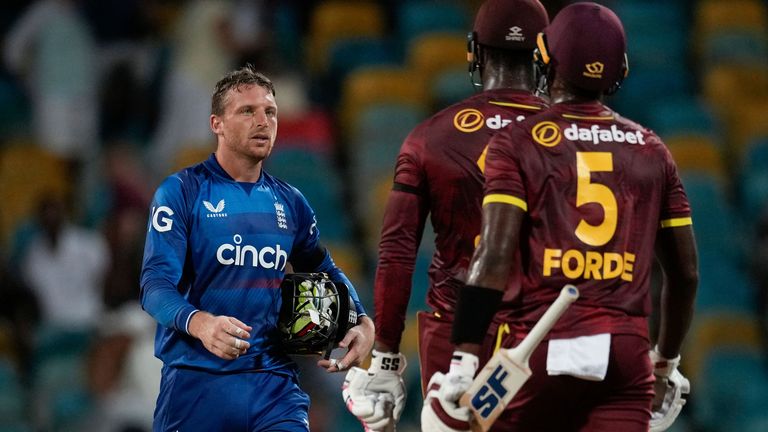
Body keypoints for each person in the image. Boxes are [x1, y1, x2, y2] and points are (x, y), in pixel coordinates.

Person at [421, 3, 698, 432]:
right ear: (619, 68)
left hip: (540, 344)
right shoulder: (652, 149)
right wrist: (665, 361)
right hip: (623, 357)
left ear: (544, 59)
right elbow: (685, 275)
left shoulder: (518, 142)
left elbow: (493, 258)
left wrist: (464, 359)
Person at [340, 0, 549, 430]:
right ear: (544, 55)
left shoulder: (431, 136)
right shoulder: (572, 138)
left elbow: (397, 252)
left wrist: (387, 357)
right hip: (544, 337)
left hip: (456, 342)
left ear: (475, 52)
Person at [139, 65, 374, 432]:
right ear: (216, 123)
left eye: (270, 112)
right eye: (247, 111)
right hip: (195, 385)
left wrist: (359, 318)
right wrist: (200, 324)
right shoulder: (181, 192)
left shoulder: (289, 201)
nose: (262, 121)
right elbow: (154, 285)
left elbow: (323, 267)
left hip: (273, 386)